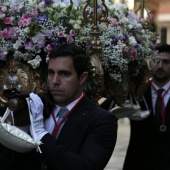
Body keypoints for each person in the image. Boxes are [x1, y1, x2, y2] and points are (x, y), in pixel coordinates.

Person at [0, 43, 118, 170]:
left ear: (82, 78)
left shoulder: (102, 121)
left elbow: (85, 166)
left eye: (64, 74)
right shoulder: (37, 106)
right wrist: (18, 133)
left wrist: (41, 135)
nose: (55, 81)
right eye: (51, 73)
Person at [123, 43, 170, 170]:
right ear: (150, 63)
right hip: (138, 164)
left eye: (166, 62)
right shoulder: (135, 92)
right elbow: (106, 110)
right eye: (156, 61)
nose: (160, 66)